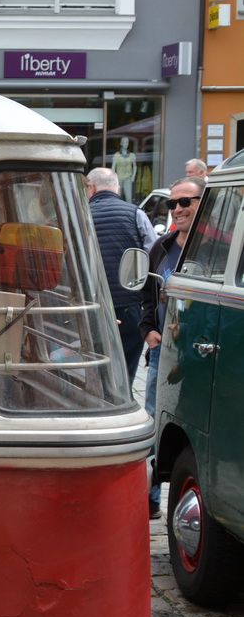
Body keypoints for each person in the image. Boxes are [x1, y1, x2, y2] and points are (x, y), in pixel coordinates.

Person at [140, 178, 202, 517]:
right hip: (162, 353)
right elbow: (147, 295)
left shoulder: (214, 248)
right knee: (152, 421)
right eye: (172, 204)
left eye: (185, 202)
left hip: (202, 354)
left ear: (202, 202)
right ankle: (149, 499)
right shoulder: (160, 248)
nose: (177, 209)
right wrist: (148, 329)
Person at [85, 167, 155, 383]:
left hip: (92, 305)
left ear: (92, 187)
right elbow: (152, 256)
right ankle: (124, 402)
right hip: (130, 305)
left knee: (94, 363)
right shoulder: (136, 214)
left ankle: (98, 401)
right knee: (126, 366)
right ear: (117, 187)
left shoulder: (82, 215)